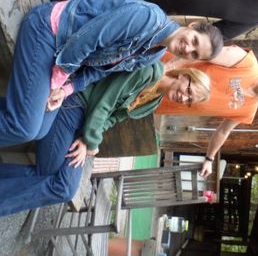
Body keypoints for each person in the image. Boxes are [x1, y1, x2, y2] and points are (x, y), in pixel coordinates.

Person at [0, 0, 222, 148]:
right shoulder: (148, 17)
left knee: (40, 130)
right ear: (192, 26)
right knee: (24, 128)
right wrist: (57, 81)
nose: (188, 48)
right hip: (50, 31)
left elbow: (101, 69)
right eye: (194, 41)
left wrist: (67, 89)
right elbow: (86, 39)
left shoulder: (155, 53)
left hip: (62, 60)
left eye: (194, 54)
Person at [0, 62, 211, 217]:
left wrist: (86, 140)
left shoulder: (154, 101)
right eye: (189, 91)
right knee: (59, 185)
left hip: (83, 124)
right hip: (75, 104)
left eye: (189, 101)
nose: (184, 98)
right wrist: (91, 142)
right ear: (184, 76)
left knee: (59, 184)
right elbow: (104, 103)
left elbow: (113, 118)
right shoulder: (148, 71)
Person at [157, 46, 258, 177]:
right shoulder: (246, 62)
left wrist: (209, 158)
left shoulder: (248, 111)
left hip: (159, 102)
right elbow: (202, 51)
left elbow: (223, 132)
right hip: (159, 70)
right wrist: (166, 68)